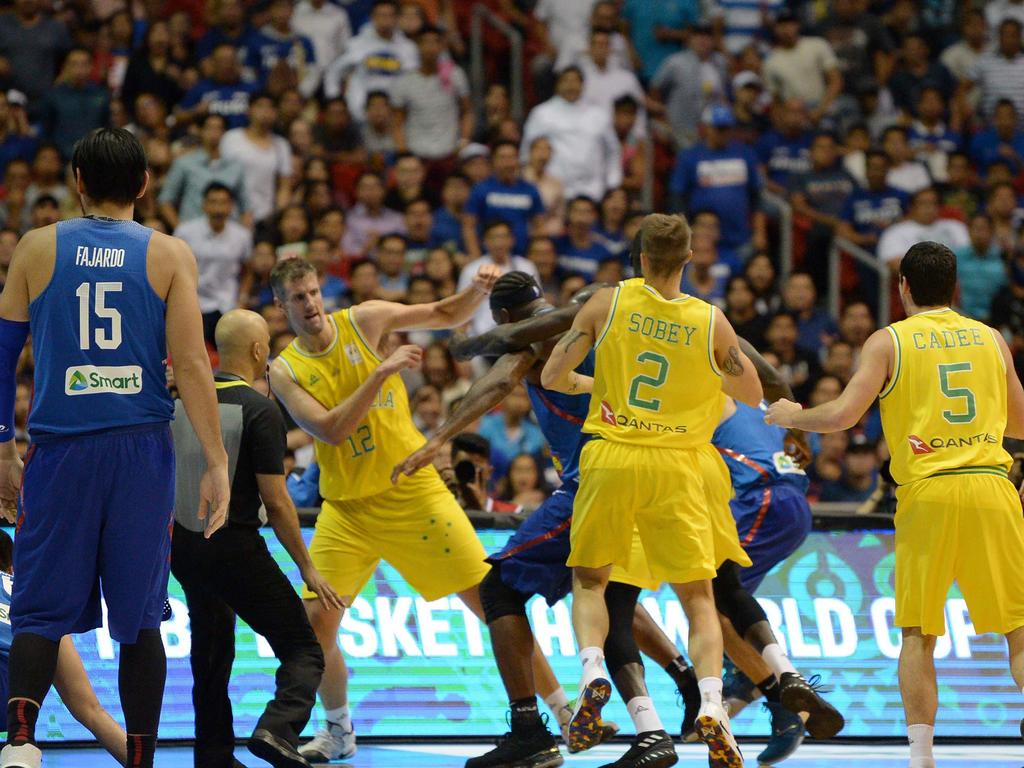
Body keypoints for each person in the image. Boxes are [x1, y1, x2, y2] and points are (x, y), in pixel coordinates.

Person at [0, 128, 230, 768]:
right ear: (145, 184)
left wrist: (1, 446)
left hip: (59, 451)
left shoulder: (36, 247)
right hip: (138, 454)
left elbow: (0, 353)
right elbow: (190, 363)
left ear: (77, 181)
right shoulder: (170, 255)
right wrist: (215, 461)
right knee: (139, 621)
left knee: (38, 611)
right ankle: (141, 759)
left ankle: (20, 743)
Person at [766, 241, 1024, 768]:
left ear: (903, 285)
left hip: (929, 492)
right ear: (955, 289)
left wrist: (791, 415)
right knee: (1019, 630)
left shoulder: (889, 341)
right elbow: (1020, 424)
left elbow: (841, 415)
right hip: (991, 486)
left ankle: (922, 759)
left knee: (918, 634)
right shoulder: (992, 339)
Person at [266, 257, 521, 764]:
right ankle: (338, 731)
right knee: (315, 626)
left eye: (314, 292)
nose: (310, 304)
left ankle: (553, 718)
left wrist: (476, 290)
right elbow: (332, 429)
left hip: (410, 490)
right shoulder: (285, 369)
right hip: (347, 509)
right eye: (298, 298)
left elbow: (445, 311)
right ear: (282, 306)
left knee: (494, 604)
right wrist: (380, 371)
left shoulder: (364, 319)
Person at [540, 214, 762, 766]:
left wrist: (602, 384)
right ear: (688, 260)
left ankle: (593, 671)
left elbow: (551, 377)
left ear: (639, 257)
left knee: (590, 581)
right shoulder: (711, 321)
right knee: (698, 598)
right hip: (678, 465)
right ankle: (712, 704)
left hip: (612, 457)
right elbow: (751, 391)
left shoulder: (605, 303)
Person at [171, 309, 339, 768]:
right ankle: (278, 728)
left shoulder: (179, 400)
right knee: (302, 649)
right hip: (236, 547)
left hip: (182, 548)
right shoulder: (260, 410)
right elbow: (279, 501)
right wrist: (306, 566)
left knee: (210, 653)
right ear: (260, 351)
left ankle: (212, 757)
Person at [0, 531, 127, 766]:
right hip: (15, 698)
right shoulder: (32, 596)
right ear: (12, 567)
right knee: (90, 709)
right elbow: (90, 710)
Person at [173, 182, 253, 343]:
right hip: (194, 304)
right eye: (213, 202)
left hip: (228, 304)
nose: (218, 208)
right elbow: (174, 269)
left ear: (231, 206)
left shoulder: (242, 235)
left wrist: (242, 298)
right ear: (204, 205)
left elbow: (248, 270)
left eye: (223, 202)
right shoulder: (185, 232)